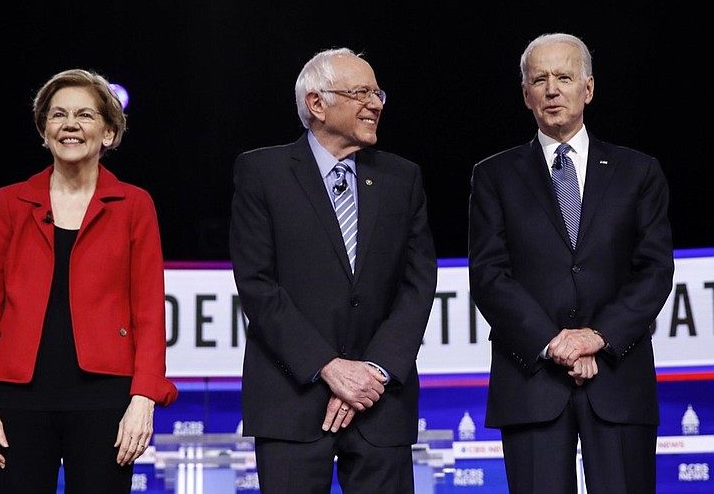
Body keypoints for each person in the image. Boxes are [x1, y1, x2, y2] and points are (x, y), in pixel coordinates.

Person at [0, 69, 178, 494]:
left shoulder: (135, 205)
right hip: (16, 401)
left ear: (108, 133)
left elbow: (148, 311)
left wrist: (143, 399)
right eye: (58, 115)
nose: (70, 124)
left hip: (106, 401)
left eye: (85, 115)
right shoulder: (7, 203)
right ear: (44, 130)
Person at [467, 32, 675, 494]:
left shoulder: (638, 171)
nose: (551, 89)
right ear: (525, 95)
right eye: (539, 79)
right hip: (533, 381)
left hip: (618, 381)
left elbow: (655, 269)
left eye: (564, 76)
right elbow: (488, 275)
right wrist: (552, 342)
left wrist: (597, 337)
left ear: (589, 88)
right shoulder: (493, 176)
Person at [229, 47, 437, 494]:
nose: (376, 103)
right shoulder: (262, 172)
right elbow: (258, 286)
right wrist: (327, 367)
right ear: (316, 104)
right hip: (292, 400)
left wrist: (374, 370)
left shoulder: (404, 178)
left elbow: (418, 283)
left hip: (381, 404)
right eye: (360, 92)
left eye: (378, 93)